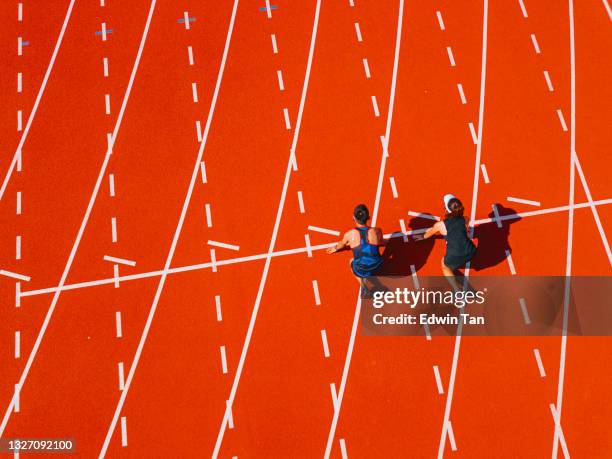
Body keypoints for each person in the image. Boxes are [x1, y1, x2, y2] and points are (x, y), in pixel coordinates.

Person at [418, 194, 477, 283]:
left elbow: (429, 234)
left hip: (456, 254)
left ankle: (457, 291)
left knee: (444, 265)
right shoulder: (465, 219)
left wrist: (422, 237)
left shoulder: (440, 225)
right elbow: (465, 228)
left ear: (446, 210)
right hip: (471, 250)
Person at [327, 204, 384, 289]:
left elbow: (342, 244)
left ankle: (364, 286)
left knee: (351, 261)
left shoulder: (349, 235)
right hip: (378, 266)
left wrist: (335, 248)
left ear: (353, 217)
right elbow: (380, 242)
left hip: (361, 270)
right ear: (368, 217)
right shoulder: (377, 231)